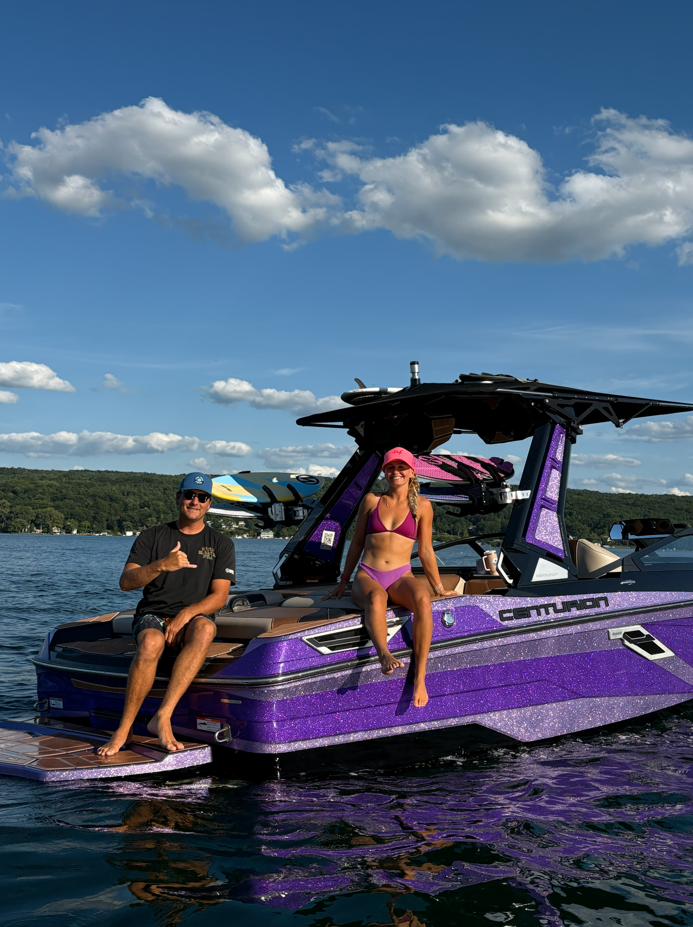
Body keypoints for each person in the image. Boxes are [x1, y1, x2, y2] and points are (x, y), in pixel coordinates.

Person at [97, 472, 235, 756]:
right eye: (189, 495)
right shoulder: (152, 536)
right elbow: (126, 582)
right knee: (151, 642)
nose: (195, 501)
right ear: (178, 497)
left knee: (206, 629)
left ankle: (163, 716)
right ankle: (125, 727)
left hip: (193, 618)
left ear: (209, 503)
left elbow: (220, 596)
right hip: (154, 614)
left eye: (202, 497)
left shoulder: (221, 543)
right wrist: (161, 565)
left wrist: (186, 614)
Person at [325, 447, 457, 708]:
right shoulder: (371, 500)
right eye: (390, 467)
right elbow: (357, 542)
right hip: (369, 574)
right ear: (384, 472)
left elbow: (426, 550)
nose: (395, 472)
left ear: (411, 472)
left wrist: (438, 588)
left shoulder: (423, 506)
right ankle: (384, 654)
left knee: (423, 601)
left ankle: (420, 677)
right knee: (376, 598)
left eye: (401, 467)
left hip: (400, 575)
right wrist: (343, 581)